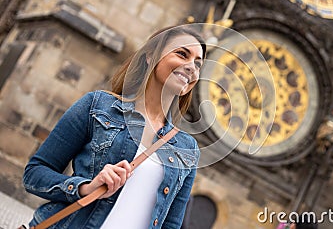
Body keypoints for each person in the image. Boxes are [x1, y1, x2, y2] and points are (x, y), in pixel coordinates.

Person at [22, 25, 206, 228]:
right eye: (182, 54)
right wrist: (85, 188)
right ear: (150, 56)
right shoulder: (97, 106)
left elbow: (171, 224)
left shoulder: (188, 149)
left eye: (198, 64)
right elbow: (35, 173)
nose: (191, 67)